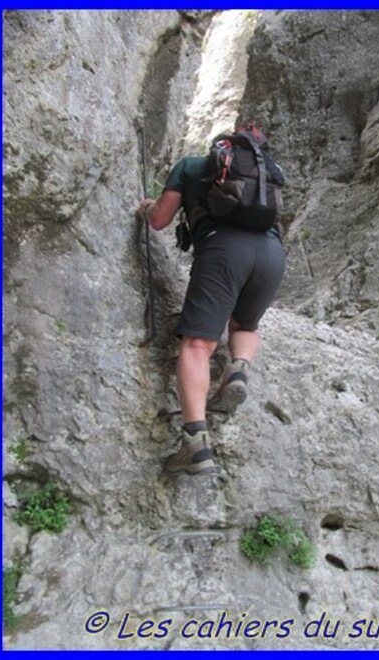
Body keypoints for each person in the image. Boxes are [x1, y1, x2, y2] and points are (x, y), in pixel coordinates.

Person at [137, 124, 286, 475]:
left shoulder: (190, 165)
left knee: (198, 345)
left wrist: (145, 207)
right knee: (245, 323)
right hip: (272, 254)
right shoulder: (266, 176)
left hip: (223, 249)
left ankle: (195, 445)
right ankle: (238, 368)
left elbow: (160, 219)